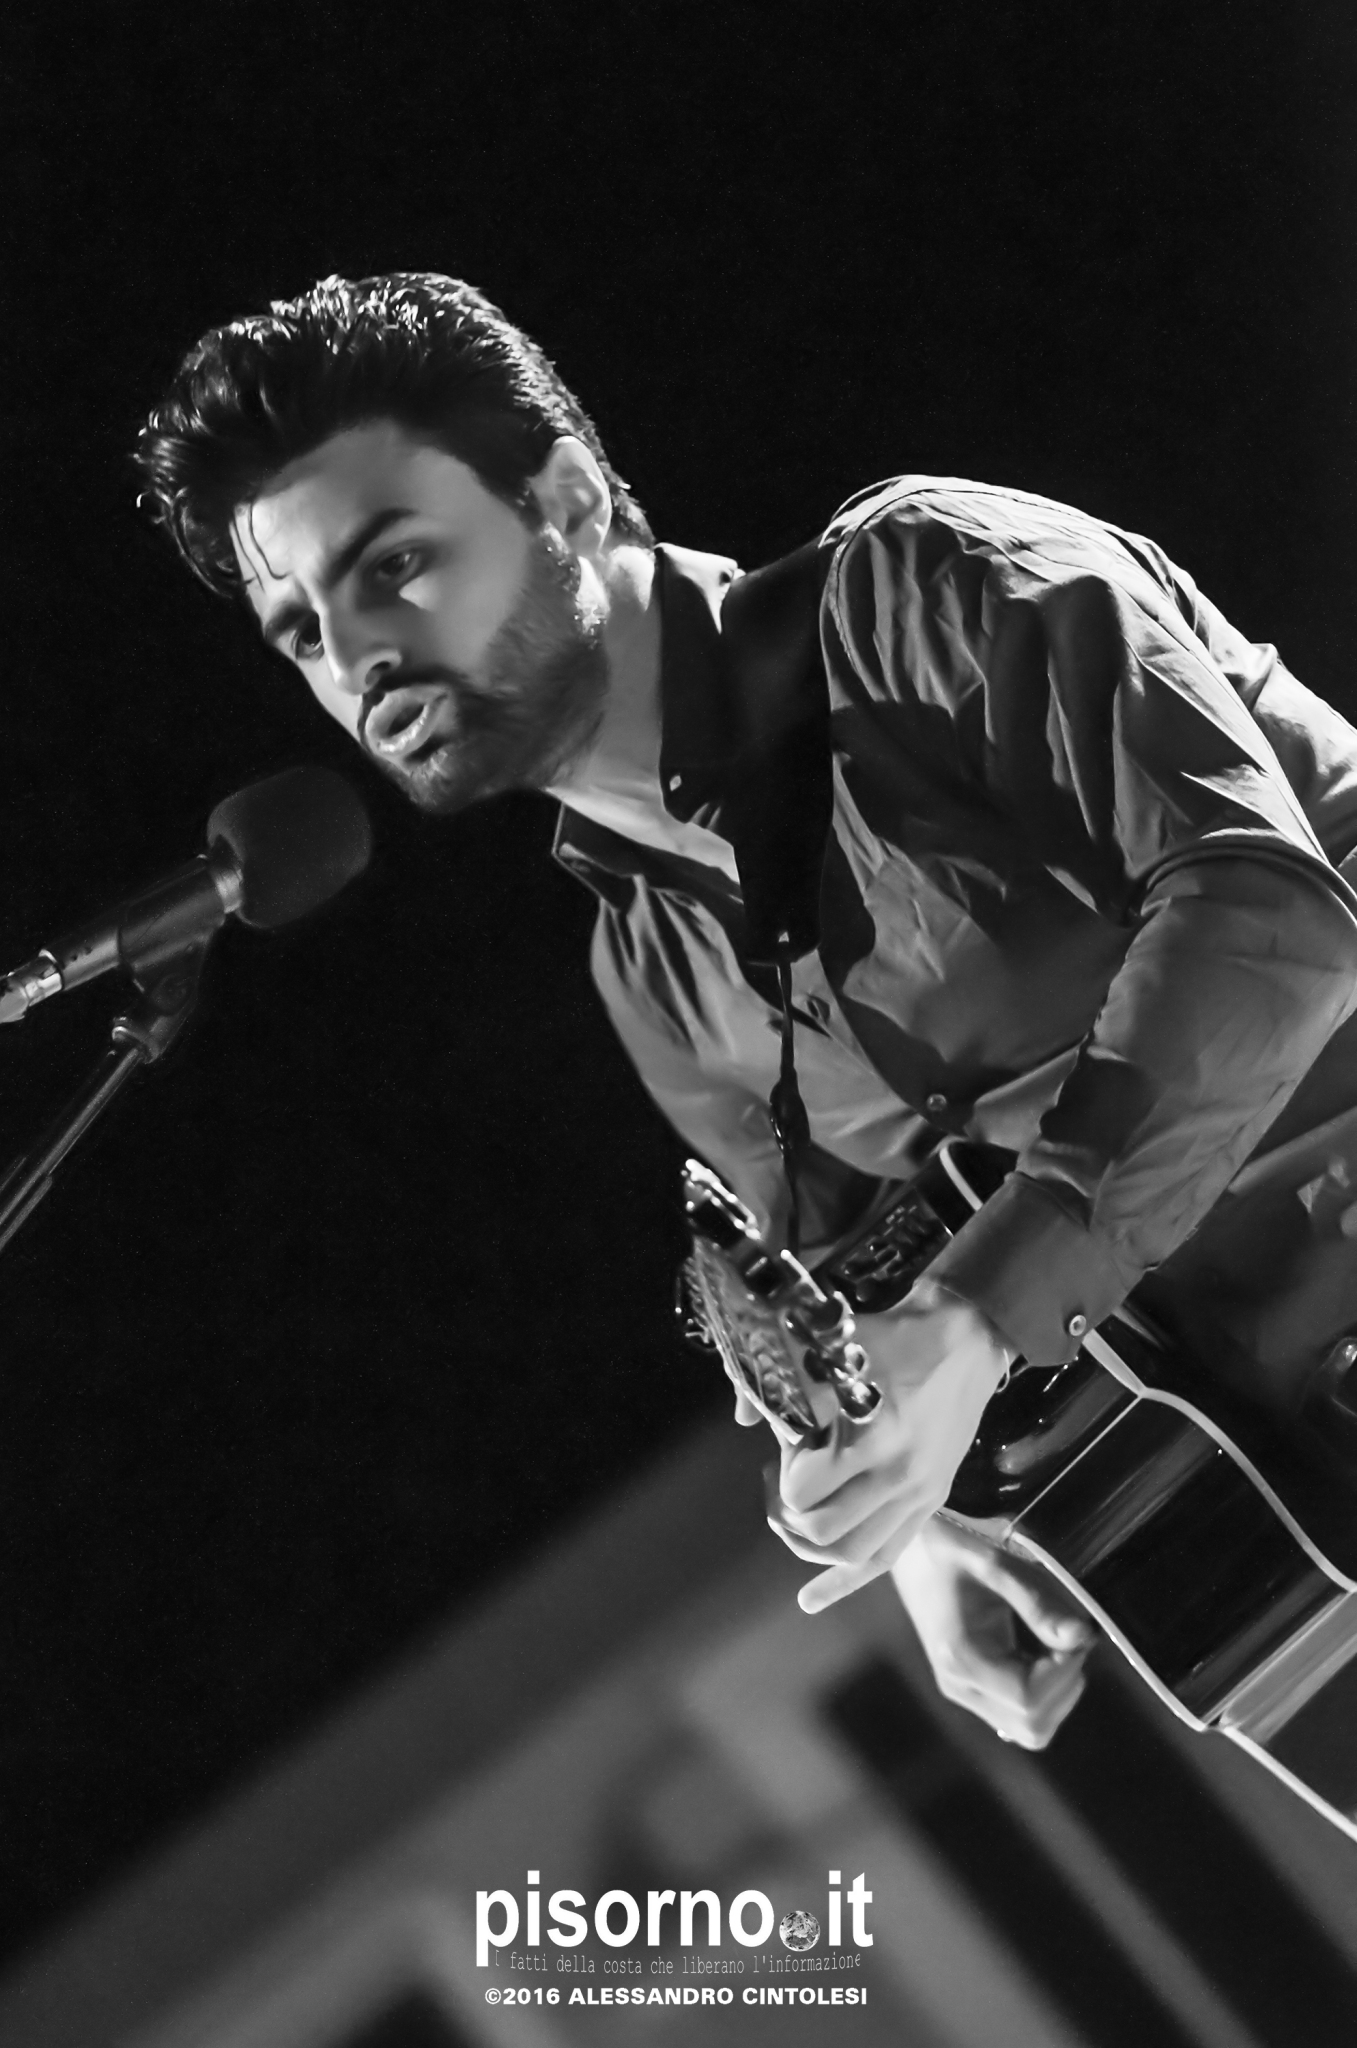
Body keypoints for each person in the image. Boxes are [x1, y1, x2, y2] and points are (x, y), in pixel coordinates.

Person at [136, 272, 1357, 1750]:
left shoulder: (922, 586)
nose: (354, 657)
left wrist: (976, 1319)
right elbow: (858, 1297)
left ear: (568, 499)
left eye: (392, 565)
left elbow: (1274, 925)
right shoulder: (649, 974)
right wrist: (923, 1522)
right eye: (298, 630)